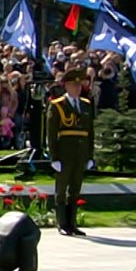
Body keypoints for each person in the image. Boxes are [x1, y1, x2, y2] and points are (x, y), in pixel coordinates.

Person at [46, 69, 96, 237]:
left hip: (80, 153)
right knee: (61, 190)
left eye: (79, 85)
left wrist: (90, 155)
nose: (77, 88)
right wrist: (54, 157)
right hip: (64, 152)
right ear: (66, 86)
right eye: (73, 85)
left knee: (75, 189)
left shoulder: (86, 104)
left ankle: (72, 223)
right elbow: (51, 133)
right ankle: (62, 223)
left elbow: (90, 132)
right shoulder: (57, 105)